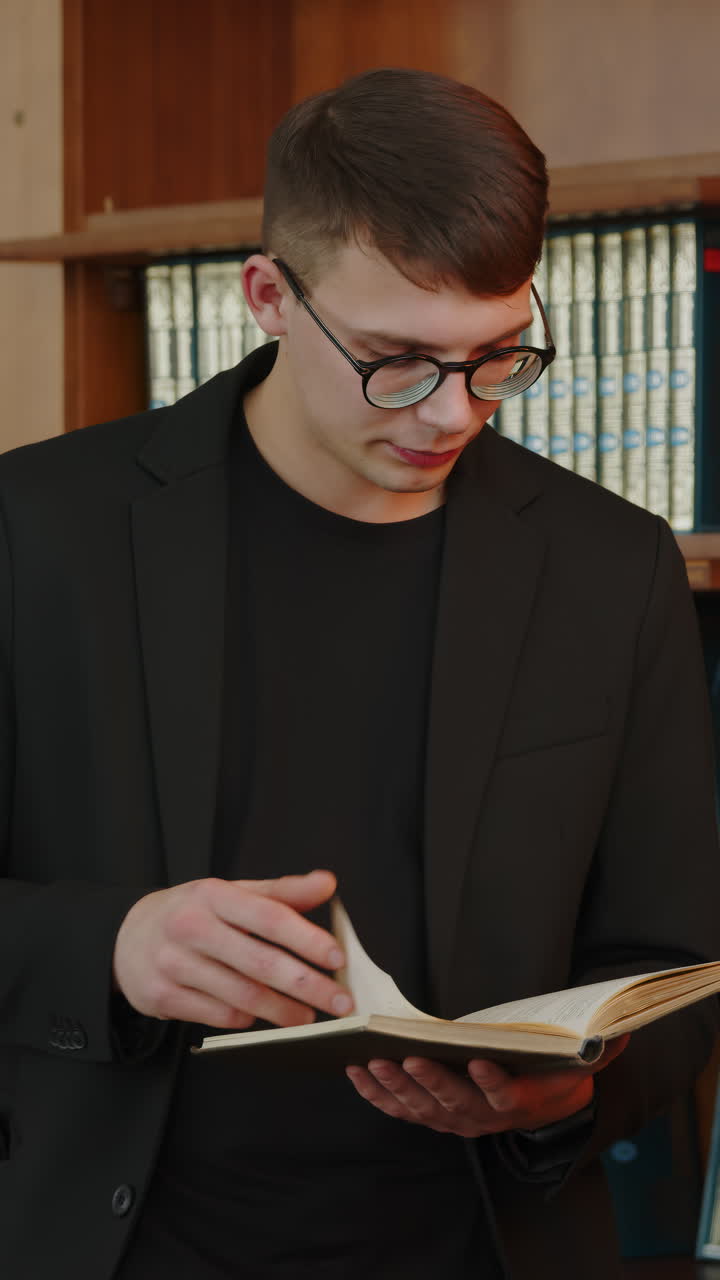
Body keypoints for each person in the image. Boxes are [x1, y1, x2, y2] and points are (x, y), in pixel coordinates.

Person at [0, 67, 718, 1280]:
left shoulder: (612, 566)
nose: (452, 413)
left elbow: (677, 965)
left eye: (498, 357)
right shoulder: (38, 531)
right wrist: (111, 947)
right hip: (119, 1244)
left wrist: (558, 1097)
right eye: (397, 359)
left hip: (481, 1246)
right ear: (268, 296)